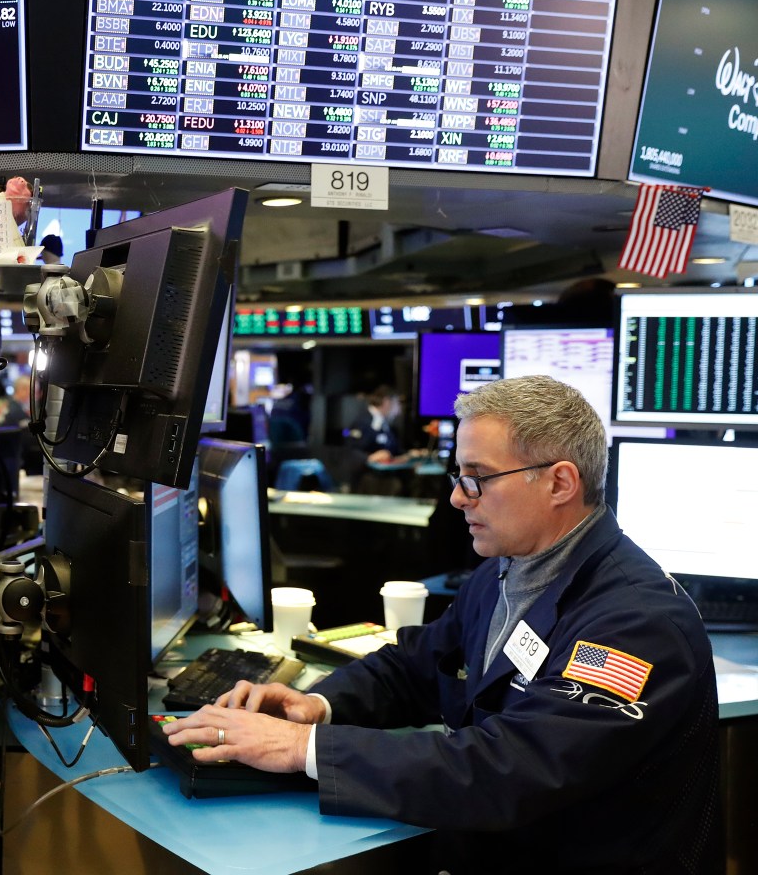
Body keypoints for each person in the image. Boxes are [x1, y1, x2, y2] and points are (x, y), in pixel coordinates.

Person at [164, 375, 721, 874]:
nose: (457, 497)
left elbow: (511, 769)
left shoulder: (635, 622)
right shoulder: (507, 570)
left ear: (559, 483)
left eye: (477, 478)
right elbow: (417, 664)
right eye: (460, 476)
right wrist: (318, 706)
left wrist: (302, 748)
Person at [344, 384, 410, 463]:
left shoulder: (385, 424)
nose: (399, 411)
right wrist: (370, 457)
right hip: (366, 472)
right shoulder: (363, 421)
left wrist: (409, 454)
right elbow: (350, 450)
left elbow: (392, 449)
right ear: (386, 402)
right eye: (397, 403)